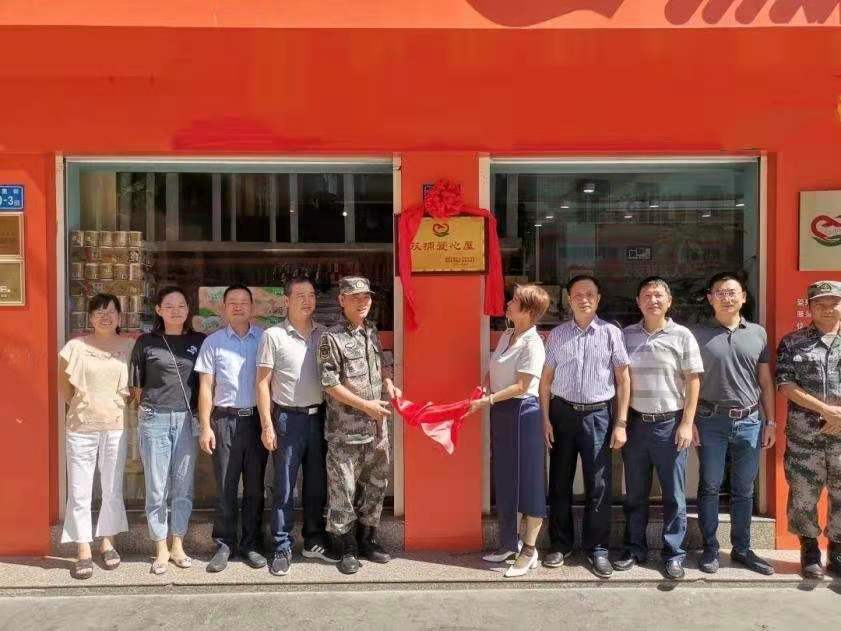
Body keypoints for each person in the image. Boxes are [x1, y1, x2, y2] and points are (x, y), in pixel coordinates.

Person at [539, 275, 630, 578]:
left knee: (599, 485)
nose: (584, 299)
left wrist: (621, 422)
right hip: (562, 413)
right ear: (569, 299)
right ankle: (560, 544)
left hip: (598, 416)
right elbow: (546, 381)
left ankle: (598, 548)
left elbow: (623, 380)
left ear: (598, 298)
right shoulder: (558, 334)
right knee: (559, 482)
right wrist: (545, 419)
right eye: (577, 294)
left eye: (590, 294)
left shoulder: (611, 333)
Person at [615, 276, 703, 580]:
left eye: (658, 295)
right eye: (647, 295)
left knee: (674, 495)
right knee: (635, 493)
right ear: (638, 302)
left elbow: (693, 380)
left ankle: (674, 554)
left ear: (669, 301)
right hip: (636, 424)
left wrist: (687, 423)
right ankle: (633, 548)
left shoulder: (682, 335)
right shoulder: (626, 335)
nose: (653, 300)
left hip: (670, 424)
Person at [692, 273, 776, 575]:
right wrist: (689, 421)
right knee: (710, 485)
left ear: (743, 297)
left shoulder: (758, 333)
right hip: (709, 419)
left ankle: (742, 548)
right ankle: (710, 548)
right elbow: (688, 381)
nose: (726, 298)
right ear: (710, 298)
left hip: (750, 420)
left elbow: (765, 381)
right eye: (720, 292)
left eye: (732, 292)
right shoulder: (696, 334)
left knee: (744, 488)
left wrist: (771, 421)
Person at [257, 275, 339, 578]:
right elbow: (262, 384)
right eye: (301, 295)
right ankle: (281, 545)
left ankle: (314, 540)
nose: (308, 300)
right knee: (284, 487)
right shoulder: (273, 336)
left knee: (317, 485)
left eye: (312, 295)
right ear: (286, 301)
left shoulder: (325, 335)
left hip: (318, 418)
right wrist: (267, 424)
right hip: (287, 419)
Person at [318, 276, 400, 575]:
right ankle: (346, 546)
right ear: (341, 300)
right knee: (344, 490)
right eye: (355, 297)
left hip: (376, 429)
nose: (362, 302)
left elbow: (382, 365)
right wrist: (366, 406)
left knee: (375, 485)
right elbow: (330, 384)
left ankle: (368, 539)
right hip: (346, 431)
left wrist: (389, 384)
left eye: (366, 296)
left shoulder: (371, 330)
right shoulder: (331, 338)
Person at [473, 284, 550, 578]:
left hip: (522, 413)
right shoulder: (508, 334)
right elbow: (494, 369)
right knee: (506, 478)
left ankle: (529, 549)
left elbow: (521, 385)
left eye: (514, 301)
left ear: (528, 310)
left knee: (529, 481)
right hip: (502, 412)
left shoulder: (533, 344)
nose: (508, 303)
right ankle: (508, 543)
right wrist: (485, 387)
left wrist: (489, 399)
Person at [129, 285, 206, 575]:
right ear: (159, 310)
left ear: (188, 310)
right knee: (157, 486)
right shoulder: (146, 342)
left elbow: (207, 383)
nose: (176, 310)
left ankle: (178, 544)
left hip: (187, 419)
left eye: (181, 305)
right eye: (169, 306)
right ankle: (160, 547)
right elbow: (136, 387)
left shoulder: (200, 341)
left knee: (183, 485)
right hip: (155, 418)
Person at [58, 294, 133, 579]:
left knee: (112, 487)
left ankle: (108, 542)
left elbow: (135, 387)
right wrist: (84, 408)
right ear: (89, 317)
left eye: (111, 311)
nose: (106, 316)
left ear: (119, 317)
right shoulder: (75, 347)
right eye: (99, 311)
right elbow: (64, 387)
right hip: (81, 429)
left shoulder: (129, 346)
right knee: (80, 491)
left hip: (115, 427)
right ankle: (83, 549)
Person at [195, 285, 266, 573]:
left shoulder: (264, 338)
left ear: (252, 307)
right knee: (225, 485)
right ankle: (224, 545)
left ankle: (251, 544)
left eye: (243, 302)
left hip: (256, 421)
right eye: (232, 302)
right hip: (224, 420)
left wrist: (269, 424)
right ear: (223, 308)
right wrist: (205, 426)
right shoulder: (212, 342)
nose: (238, 306)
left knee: (255, 487)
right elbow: (206, 387)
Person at [776, 280, 841, 579]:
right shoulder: (793, 342)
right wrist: (825, 410)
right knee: (803, 494)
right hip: (806, 436)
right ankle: (810, 550)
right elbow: (785, 384)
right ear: (810, 307)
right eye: (820, 304)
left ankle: (837, 550)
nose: (827, 309)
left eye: (833, 303)